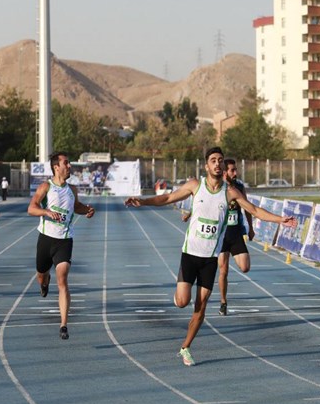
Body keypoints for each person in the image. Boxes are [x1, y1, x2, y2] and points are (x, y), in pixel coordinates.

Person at [125, 147, 296, 366]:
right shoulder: (195, 186)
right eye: (213, 160)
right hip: (190, 255)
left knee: (201, 305)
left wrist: (280, 220)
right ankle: (178, 296)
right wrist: (143, 201)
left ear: (223, 167)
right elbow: (168, 197)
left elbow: (254, 210)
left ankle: (185, 347)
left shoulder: (230, 192)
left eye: (220, 161)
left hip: (210, 259)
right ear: (206, 165)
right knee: (182, 302)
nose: (217, 164)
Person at [28, 151, 95, 340]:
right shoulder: (45, 187)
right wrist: (46, 212)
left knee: (63, 279)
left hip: (64, 240)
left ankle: (63, 324)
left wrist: (87, 210)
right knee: (41, 274)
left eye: (69, 163)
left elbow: (76, 207)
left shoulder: (72, 190)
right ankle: (44, 282)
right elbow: (31, 208)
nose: (70, 166)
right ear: (56, 167)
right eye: (66, 163)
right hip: (45, 239)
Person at [182, 159, 255, 316]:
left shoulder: (238, 188)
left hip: (235, 233)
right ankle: (223, 302)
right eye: (232, 170)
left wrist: (251, 228)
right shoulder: (216, 187)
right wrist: (189, 213)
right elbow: (203, 205)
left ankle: (221, 298)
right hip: (219, 235)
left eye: (236, 170)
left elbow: (249, 209)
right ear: (224, 172)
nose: (235, 173)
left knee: (245, 266)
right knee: (224, 270)